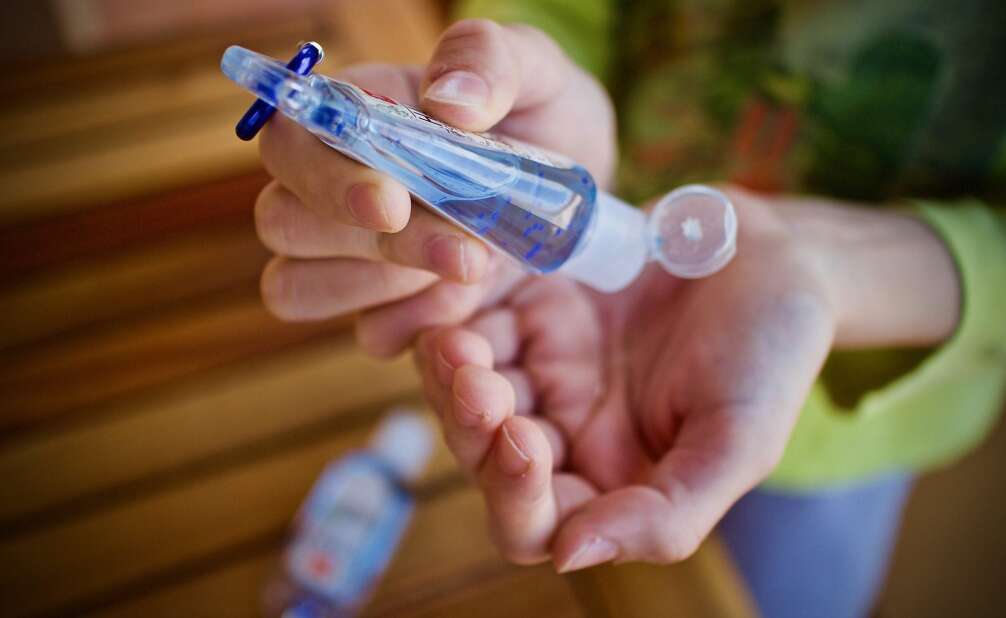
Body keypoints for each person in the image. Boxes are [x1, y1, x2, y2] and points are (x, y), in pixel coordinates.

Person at [249, 3, 1006, 615]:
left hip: (858, 441)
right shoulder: (569, 209)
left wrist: (840, 270)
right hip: (579, 261)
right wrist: (518, 77)